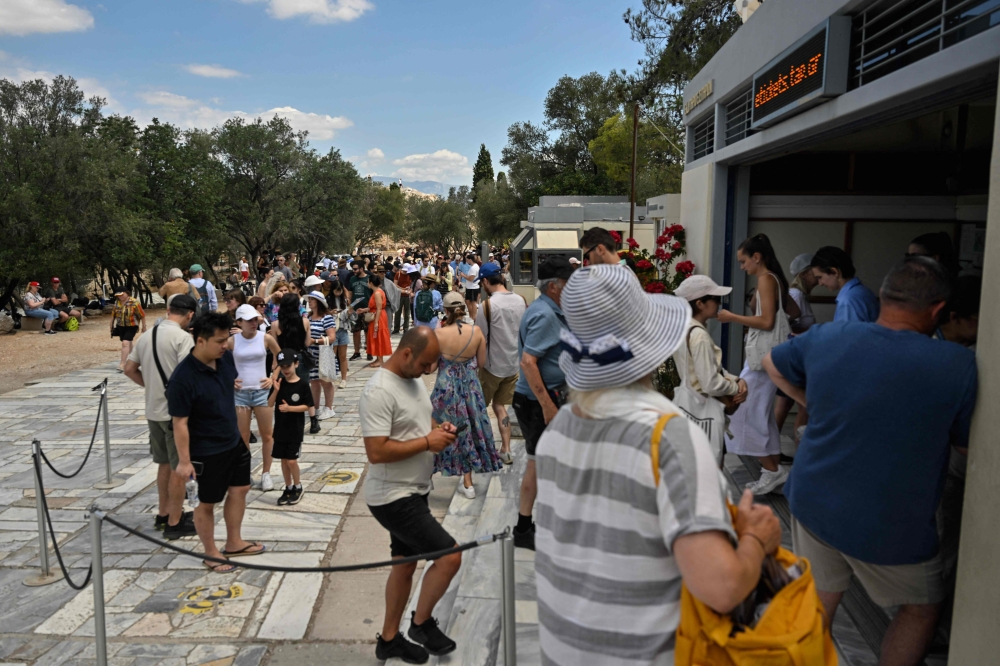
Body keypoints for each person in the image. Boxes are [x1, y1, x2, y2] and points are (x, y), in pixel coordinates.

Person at [535, 263, 781, 665]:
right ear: (650, 340)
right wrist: (757, 538)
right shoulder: (667, 436)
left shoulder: (563, 425)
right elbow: (722, 587)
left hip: (563, 650)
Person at [764, 257, 976, 666]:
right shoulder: (958, 366)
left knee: (821, 594)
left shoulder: (829, 336)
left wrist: (814, 404)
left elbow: (773, 363)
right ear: (937, 311)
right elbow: (968, 451)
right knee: (921, 607)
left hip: (813, 499)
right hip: (889, 517)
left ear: (881, 297)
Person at [360, 328, 461, 663]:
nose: (429, 371)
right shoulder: (378, 391)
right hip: (392, 496)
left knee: (404, 566)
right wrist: (427, 443)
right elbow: (376, 451)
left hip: (413, 489)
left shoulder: (413, 377)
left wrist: (438, 430)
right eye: (426, 364)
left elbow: (421, 417)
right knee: (449, 556)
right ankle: (421, 623)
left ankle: (389, 640)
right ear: (406, 354)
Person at [168, 312, 265, 572]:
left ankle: (234, 542)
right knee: (206, 503)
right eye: (220, 341)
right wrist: (185, 461)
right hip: (206, 451)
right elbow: (179, 422)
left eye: (227, 339)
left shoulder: (225, 361)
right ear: (200, 341)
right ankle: (211, 552)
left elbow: (229, 386)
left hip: (233, 441)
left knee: (240, 489)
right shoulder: (182, 378)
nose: (226, 345)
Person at [718, 234, 799, 495]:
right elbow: (793, 313)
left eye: (744, 261)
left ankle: (773, 471)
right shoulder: (774, 279)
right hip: (767, 358)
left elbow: (766, 322)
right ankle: (772, 471)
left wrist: (732, 317)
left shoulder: (766, 279)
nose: (742, 266)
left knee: (745, 410)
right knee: (760, 413)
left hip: (762, 360)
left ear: (757, 257)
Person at [511, 256, 574, 550]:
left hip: (548, 397)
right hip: (539, 402)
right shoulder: (545, 315)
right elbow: (528, 361)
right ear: (554, 287)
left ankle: (541, 523)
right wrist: (548, 405)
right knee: (537, 465)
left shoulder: (551, 309)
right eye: (568, 283)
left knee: (548, 464)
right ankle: (525, 528)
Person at [123, 293, 198, 540]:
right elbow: (187, 377)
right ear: (190, 314)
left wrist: (151, 386)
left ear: (169, 310)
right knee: (179, 466)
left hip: (153, 410)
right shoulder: (182, 338)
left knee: (163, 464)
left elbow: (129, 369)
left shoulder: (146, 336)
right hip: (174, 414)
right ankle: (175, 522)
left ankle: (164, 513)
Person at [431, 292, 502, 499]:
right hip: (470, 388)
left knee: (437, 431)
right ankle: (468, 483)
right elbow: (480, 363)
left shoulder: (440, 334)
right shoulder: (477, 332)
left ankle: (426, 476)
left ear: (445, 311)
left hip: (445, 389)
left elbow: (433, 366)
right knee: (468, 431)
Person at [672, 274, 747, 464]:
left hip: (688, 405)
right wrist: (735, 388)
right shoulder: (699, 335)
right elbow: (710, 383)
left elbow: (702, 370)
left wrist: (735, 379)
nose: (719, 303)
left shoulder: (683, 328)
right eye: (716, 299)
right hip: (705, 408)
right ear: (700, 304)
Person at [473, 262, 525, 465]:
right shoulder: (520, 300)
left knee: (479, 408)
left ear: (486, 281)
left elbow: (480, 338)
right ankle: (506, 449)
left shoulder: (487, 306)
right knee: (501, 406)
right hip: (513, 366)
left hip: (491, 367)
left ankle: (481, 449)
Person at [228, 304, 281, 491]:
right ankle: (245, 473)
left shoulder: (265, 338)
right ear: (239, 322)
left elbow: (280, 356)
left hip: (261, 392)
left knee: (267, 435)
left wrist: (273, 376)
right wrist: (228, 379)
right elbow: (217, 360)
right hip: (240, 394)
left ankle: (266, 473)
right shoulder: (232, 341)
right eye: (249, 320)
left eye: (255, 319)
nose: (253, 323)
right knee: (242, 437)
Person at [775, 253, 818, 438]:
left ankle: (770, 451)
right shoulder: (796, 295)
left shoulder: (800, 295)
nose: (818, 277)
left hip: (796, 356)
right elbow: (785, 325)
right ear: (804, 274)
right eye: (814, 273)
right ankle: (797, 452)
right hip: (796, 357)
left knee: (786, 404)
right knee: (802, 406)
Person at [269, 349, 314, 505]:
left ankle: (298, 486)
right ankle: (288, 487)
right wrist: (275, 391)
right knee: (283, 460)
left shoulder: (302, 384)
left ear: (296, 364)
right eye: (282, 367)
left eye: (288, 366)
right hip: (280, 429)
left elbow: (307, 406)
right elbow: (269, 404)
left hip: (295, 429)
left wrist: (290, 409)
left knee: (291, 461)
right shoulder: (280, 383)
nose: (286, 370)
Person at [271, 293, 320, 435]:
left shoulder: (275, 324)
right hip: (300, 359)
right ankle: (313, 421)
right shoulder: (305, 322)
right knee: (305, 389)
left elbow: (276, 350)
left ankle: (285, 420)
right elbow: (306, 343)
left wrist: (275, 364)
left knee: (283, 390)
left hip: (283, 360)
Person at [811, 246, 880, 322]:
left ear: (835, 272)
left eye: (820, 277)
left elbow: (848, 333)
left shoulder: (849, 300)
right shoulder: (863, 291)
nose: (820, 283)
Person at [305, 291, 338, 419]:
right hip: (311, 355)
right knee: (313, 381)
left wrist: (315, 341)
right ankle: (316, 407)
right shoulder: (307, 317)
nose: (310, 301)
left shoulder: (326, 318)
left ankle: (329, 408)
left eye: (312, 299)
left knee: (326, 381)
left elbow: (332, 337)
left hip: (323, 354)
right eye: (309, 299)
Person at [358, 273, 392, 368]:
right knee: (376, 336)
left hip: (378, 317)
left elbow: (379, 308)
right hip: (377, 315)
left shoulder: (377, 293)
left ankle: (380, 360)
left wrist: (376, 322)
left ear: (371, 283)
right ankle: (378, 358)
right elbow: (373, 307)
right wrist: (364, 310)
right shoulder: (378, 291)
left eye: (368, 282)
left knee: (378, 336)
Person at [110, 289, 147, 372]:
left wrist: (144, 326)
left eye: (122, 294)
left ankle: (122, 364)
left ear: (127, 293)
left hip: (132, 326)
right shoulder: (117, 303)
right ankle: (136, 360)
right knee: (128, 343)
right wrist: (111, 325)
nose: (120, 296)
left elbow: (142, 315)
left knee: (125, 343)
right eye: (118, 295)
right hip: (121, 326)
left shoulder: (134, 302)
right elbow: (113, 315)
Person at [327, 281, 351, 389]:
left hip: (342, 329)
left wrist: (348, 312)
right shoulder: (327, 300)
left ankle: (344, 379)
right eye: (337, 290)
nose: (338, 293)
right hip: (332, 330)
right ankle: (332, 378)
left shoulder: (344, 300)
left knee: (343, 356)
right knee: (332, 355)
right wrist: (330, 313)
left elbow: (347, 316)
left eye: (340, 290)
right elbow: (323, 313)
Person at [348, 260, 372, 361]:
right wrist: (350, 307)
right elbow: (350, 294)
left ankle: (369, 351)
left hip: (367, 309)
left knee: (368, 331)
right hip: (355, 310)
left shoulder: (369, 278)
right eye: (353, 269)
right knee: (356, 331)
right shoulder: (352, 279)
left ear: (362, 268)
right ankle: (357, 352)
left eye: (355, 269)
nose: (353, 271)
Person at [459, 252, 481, 321]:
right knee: (467, 301)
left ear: (470, 260)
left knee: (473, 302)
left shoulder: (474, 267)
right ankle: (471, 315)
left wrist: (463, 275)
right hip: (470, 287)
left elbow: (471, 279)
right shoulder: (473, 267)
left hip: (473, 287)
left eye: (467, 260)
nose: (467, 261)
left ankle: (473, 317)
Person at [393, 267, 413, 334]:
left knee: (407, 313)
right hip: (399, 295)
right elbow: (395, 284)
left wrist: (409, 289)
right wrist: (403, 289)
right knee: (397, 312)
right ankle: (396, 328)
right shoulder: (398, 274)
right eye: (404, 271)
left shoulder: (410, 274)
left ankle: (406, 328)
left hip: (407, 296)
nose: (405, 273)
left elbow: (411, 284)